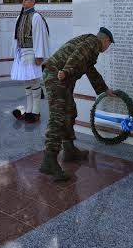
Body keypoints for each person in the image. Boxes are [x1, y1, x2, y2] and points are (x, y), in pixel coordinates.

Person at [39, 27, 115, 181]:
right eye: (109, 44)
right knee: (58, 118)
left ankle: (69, 150)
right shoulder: (93, 42)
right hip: (57, 76)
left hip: (61, 77)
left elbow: (89, 69)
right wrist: (66, 71)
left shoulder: (90, 44)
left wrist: (104, 89)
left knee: (69, 112)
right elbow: (77, 55)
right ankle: (49, 160)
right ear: (105, 41)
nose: (107, 48)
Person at [11, 0, 50, 123]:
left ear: (33, 1)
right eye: (23, 0)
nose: (24, 2)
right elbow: (16, 38)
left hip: (32, 53)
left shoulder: (36, 17)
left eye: (27, 0)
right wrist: (15, 54)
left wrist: (39, 56)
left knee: (34, 82)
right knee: (26, 82)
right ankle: (28, 110)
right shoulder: (19, 17)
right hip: (22, 54)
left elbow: (40, 37)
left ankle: (36, 112)